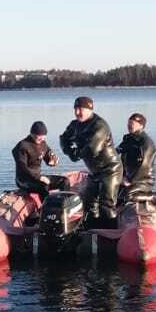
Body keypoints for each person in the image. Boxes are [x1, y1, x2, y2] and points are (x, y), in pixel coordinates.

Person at [59, 96, 123, 226]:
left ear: (90, 110)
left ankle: (110, 232)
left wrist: (75, 155)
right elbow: (63, 138)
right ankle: (91, 229)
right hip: (95, 171)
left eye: (80, 109)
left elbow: (92, 149)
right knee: (89, 203)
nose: (77, 113)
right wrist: (69, 151)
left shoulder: (100, 126)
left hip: (110, 170)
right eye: (75, 109)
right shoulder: (75, 125)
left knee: (106, 204)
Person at [12, 120, 58, 198]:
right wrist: (39, 178)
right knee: (43, 186)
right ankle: (45, 209)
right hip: (24, 180)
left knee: (64, 181)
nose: (41, 138)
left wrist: (53, 161)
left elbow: (49, 156)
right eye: (39, 135)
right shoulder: (22, 146)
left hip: (38, 177)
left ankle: (66, 205)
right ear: (32, 134)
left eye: (43, 136)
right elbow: (23, 168)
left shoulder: (43, 143)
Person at [118, 112, 156, 191]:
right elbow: (114, 154)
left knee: (128, 195)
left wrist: (131, 181)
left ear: (141, 126)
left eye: (132, 123)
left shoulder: (146, 143)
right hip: (127, 178)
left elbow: (144, 166)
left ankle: (154, 198)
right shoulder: (128, 139)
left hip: (143, 181)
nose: (129, 125)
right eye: (128, 123)